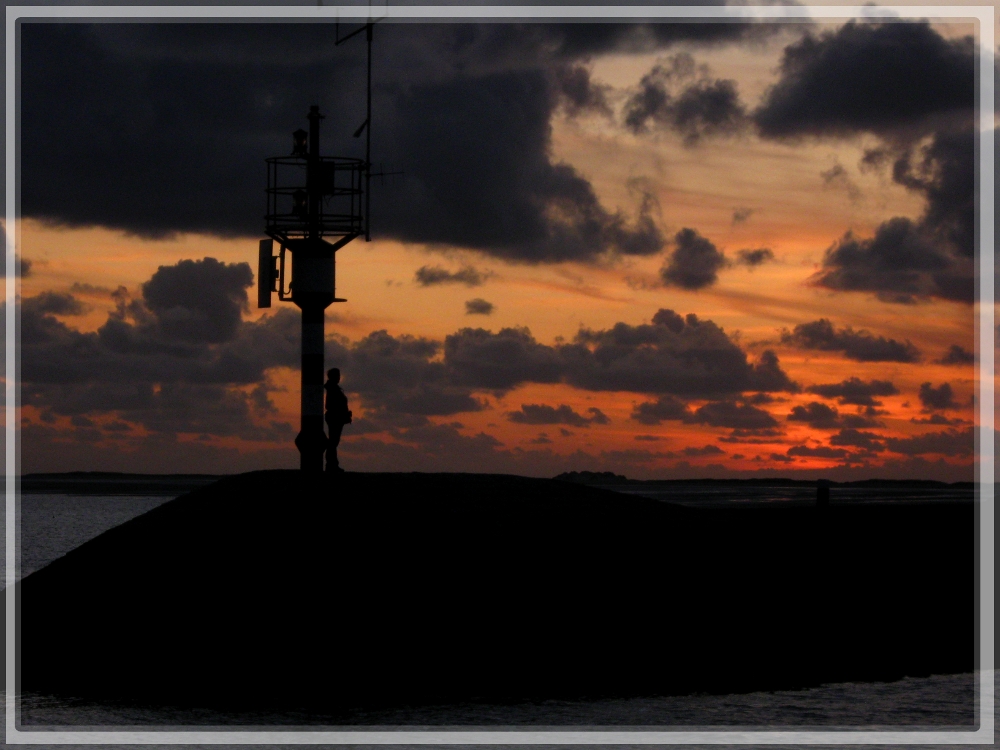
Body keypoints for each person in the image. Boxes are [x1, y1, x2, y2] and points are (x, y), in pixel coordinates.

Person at [324, 368, 352, 473]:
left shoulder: (333, 388)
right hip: (335, 418)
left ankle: (332, 465)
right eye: (337, 375)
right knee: (333, 442)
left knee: (333, 442)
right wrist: (342, 413)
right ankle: (331, 465)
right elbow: (330, 405)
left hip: (336, 418)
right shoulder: (332, 389)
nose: (339, 377)